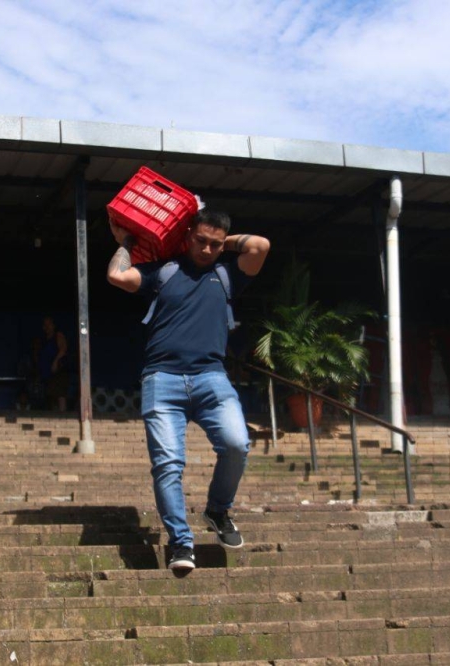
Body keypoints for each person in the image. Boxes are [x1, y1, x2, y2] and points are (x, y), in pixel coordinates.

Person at [107, 207, 270, 570]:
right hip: (161, 379)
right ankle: (182, 543)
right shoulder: (164, 271)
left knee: (236, 443)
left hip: (212, 378)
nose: (208, 250)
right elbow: (116, 275)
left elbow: (260, 246)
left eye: (215, 244)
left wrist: (219, 240)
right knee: (168, 464)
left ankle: (217, 510)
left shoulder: (227, 274)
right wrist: (129, 242)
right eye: (201, 241)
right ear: (186, 236)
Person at [36, 315, 69, 411]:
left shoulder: (58, 335)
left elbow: (63, 349)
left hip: (59, 370)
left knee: (60, 393)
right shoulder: (44, 340)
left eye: (49, 324)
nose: (47, 327)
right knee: (50, 394)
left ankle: (63, 416)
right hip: (48, 373)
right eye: (45, 325)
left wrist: (55, 362)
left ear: (53, 325)